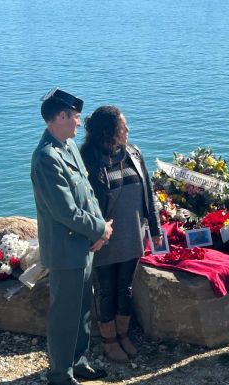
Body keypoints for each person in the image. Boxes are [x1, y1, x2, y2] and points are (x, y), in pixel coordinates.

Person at [31, 88, 113, 385]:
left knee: (81, 312)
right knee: (64, 315)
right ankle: (59, 374)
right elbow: (65, 211)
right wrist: (100, 229)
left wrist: (100, 229)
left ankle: (78, 362)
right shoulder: (47, 157)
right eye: (76, 117)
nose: (79, 123)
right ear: (61, 116)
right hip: (67, 249)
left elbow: (87, 196)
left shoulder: (68, 147)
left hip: (84, 245)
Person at [80, 105, 161, 362]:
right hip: (105, 237)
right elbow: (83, 200)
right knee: (105, 290)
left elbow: (148, 191)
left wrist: (155, 228)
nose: (128, 129)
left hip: (133, 233)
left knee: (125, 287)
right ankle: (109, 340)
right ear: (109, 131)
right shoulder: (88, 158)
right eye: (123, 126)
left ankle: (123, 334)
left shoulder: (134, 153)